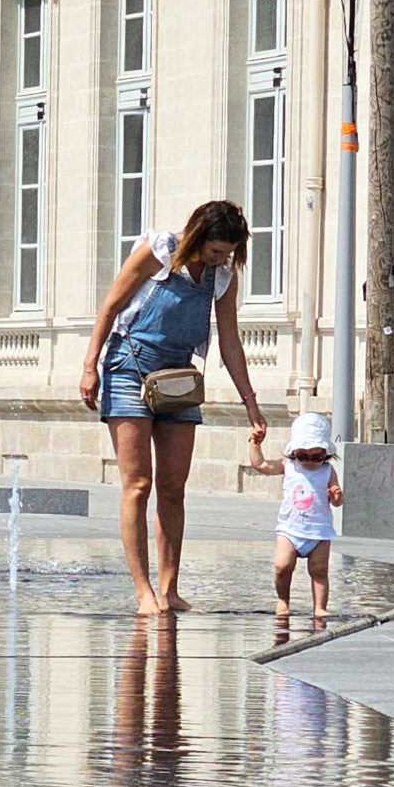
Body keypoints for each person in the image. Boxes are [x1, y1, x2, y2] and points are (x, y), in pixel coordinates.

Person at [79, 201, 269, 615]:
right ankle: (144, 592)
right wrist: (89, 366)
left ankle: (170, 589)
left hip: (179, 377)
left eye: (229, 253)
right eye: (217, 251)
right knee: (139, 484)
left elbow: (230, 342)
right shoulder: (158, 251)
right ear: (198, 236)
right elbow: (111, 306)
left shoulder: (222, 277)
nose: (222, 259)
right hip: (130, 365)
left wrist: (251, 404)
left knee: (173, 488)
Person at [244, 412, 345, 619]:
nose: (309, 461)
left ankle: (320, 606)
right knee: (282, 566)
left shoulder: (327, 471)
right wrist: (255, 445)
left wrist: (336, 496)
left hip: (319, 531)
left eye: (316, 457)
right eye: (303, 456)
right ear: (294, 452)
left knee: (319, 571)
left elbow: (337, 501)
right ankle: (283, 600)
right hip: (289, 530)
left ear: (325, 453)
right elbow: (260, 465)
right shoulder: (288, 466)